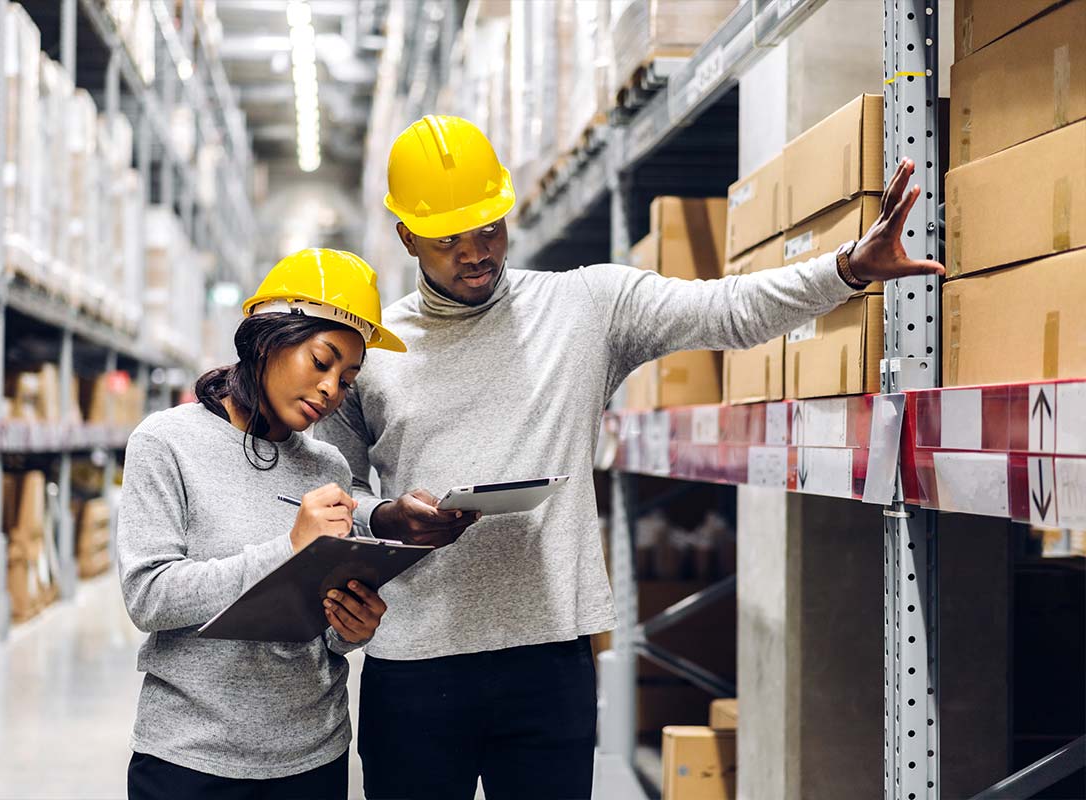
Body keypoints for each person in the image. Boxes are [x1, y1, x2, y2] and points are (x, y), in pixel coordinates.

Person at [315, 115, 944, 799]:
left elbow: (727, 310)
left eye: (490, 228)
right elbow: (335, 491)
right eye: (448, 239)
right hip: (414, 663)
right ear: (407, 235)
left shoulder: (586, 306)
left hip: (547, 659)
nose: (476, 252)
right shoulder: (372, 351)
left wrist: (847, 269)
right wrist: (387, 516)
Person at [117, 248, 407, 800]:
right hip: (191, 760)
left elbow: (316, 625)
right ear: (268, 339)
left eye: (347, 379)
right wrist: (290, 548)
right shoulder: (166, 442)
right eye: (321, 362)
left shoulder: (329, 467)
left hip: (312, 756)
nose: (331, 390)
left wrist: (349, 628)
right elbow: (147, 597)